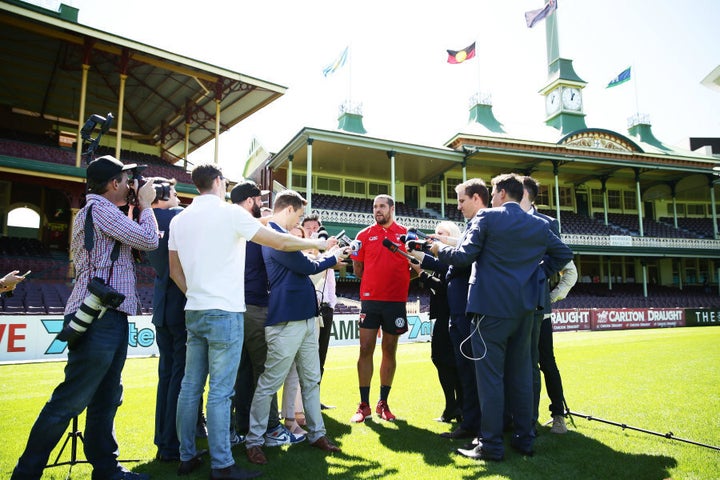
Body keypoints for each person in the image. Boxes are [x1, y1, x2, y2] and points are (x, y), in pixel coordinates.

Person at [168, 165, 330, 480]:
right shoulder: (229, 213)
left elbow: (175, 271)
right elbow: (281, 243)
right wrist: (319, 245)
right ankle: (222, 464)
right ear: (217, 182)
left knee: (190, 387)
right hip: (225, 311)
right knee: (220, 391)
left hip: (195, 309)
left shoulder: (179, 218)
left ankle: (186, 455)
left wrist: (198, 295)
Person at [12, 155, 159, 480]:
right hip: (98, 316)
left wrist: (135, 207)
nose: (130, 185)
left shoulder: (103, 211)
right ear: (113, 184)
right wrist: (147, 206)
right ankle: (25, 474)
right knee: (69, 400)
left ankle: (106, 469)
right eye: (125, 180)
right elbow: (149, 240)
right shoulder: (102, 210)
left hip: (109, 314)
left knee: (107, 398)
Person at [430, 173, 573, 461]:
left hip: (490, 310)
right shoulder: (539, 224)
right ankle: (524, 439)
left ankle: (491, 444)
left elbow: (462, 258)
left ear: (503, 194)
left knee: (490, 379)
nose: (491, 198)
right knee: (521, 376)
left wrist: (439, 249)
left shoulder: (487, 218)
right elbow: (563, 254)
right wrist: (536, 275)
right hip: (525, 311)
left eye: (494, 193)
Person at [245, 190, 344, 465]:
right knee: (269, 382)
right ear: (288, 209)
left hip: (305, 318)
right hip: (286, 320)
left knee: (311, 380)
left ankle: (317, 434)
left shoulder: (279, 234)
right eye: (299, 215)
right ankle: (254, 440)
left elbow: (305, 263)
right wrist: (331, 256)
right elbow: (304, 265)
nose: (298, 221)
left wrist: (327, 255)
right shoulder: (273, 235)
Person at [230, 181, 300, 447]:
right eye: (259, 199)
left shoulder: (233, 227)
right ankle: (270, 428)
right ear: (250, 201)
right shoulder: (256, 232)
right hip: (255, 307)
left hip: (236, 307)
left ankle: (242, 427)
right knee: (264, 372)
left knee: (243, 372)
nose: (262, 204)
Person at [418, 179, 488, 441]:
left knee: (473, 372)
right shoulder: (472, 229)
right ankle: (470, 422)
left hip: (468, 312)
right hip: (458, 314)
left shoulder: (478, 228)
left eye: (461, 200)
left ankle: (478, 424)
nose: (458, 206)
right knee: (466, 372)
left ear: (477, 198)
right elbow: (444, 266)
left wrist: (440, 248)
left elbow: (458, 260)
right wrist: (417, 253)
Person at [521, 176, 577, 434]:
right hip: (513, 308)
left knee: (545, 361)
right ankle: (522, 417)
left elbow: (570, 270)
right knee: (521, 363)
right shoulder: (503, 221)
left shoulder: (547, 224)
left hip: (539, 310)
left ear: (527, 196)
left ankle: (558, 415)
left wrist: (551, 297)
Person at [350, 194, 409, 423]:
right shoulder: (363, 235)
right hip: (370, 300)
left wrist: (398, 283)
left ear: (392, 208)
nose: (378, 210)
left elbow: (414, 267)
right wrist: (374, 285)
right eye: (375, 207)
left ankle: (383, 402)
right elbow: (357, 268)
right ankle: (363, 405)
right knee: (365, 348)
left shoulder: (405, 234)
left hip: (396, 301)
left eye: (382, 206)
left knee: (389, 349)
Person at [146, 178, 186, 462]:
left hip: (162, 306)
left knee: (166, 377)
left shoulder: (146, 219)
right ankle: (172, 444)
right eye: (173, 193)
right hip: (181, 307)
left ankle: (163, 439)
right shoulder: (174, 217)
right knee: (180, 379)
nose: (178, 197)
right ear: (161, 196)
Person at [409, 221, 463, 424]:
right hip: (442, 314)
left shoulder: (454, 257)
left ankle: (459, 407)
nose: (436, 235)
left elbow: (444, 287)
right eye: (436, 232)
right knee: (440, 359)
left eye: (442, 233)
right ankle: (452, 406)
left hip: (453, 315)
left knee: (452, 362)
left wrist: (422, 274)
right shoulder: (441, 258)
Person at [301, 214, 337, 410]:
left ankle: (314, 399)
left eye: (316, 228)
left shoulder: (327, 253)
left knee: (320, 356)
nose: (314, 232)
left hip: (326, 308)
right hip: (308, 309)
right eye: (309, 228)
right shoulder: (300, 253)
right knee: (305, 358)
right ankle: (298, 403)